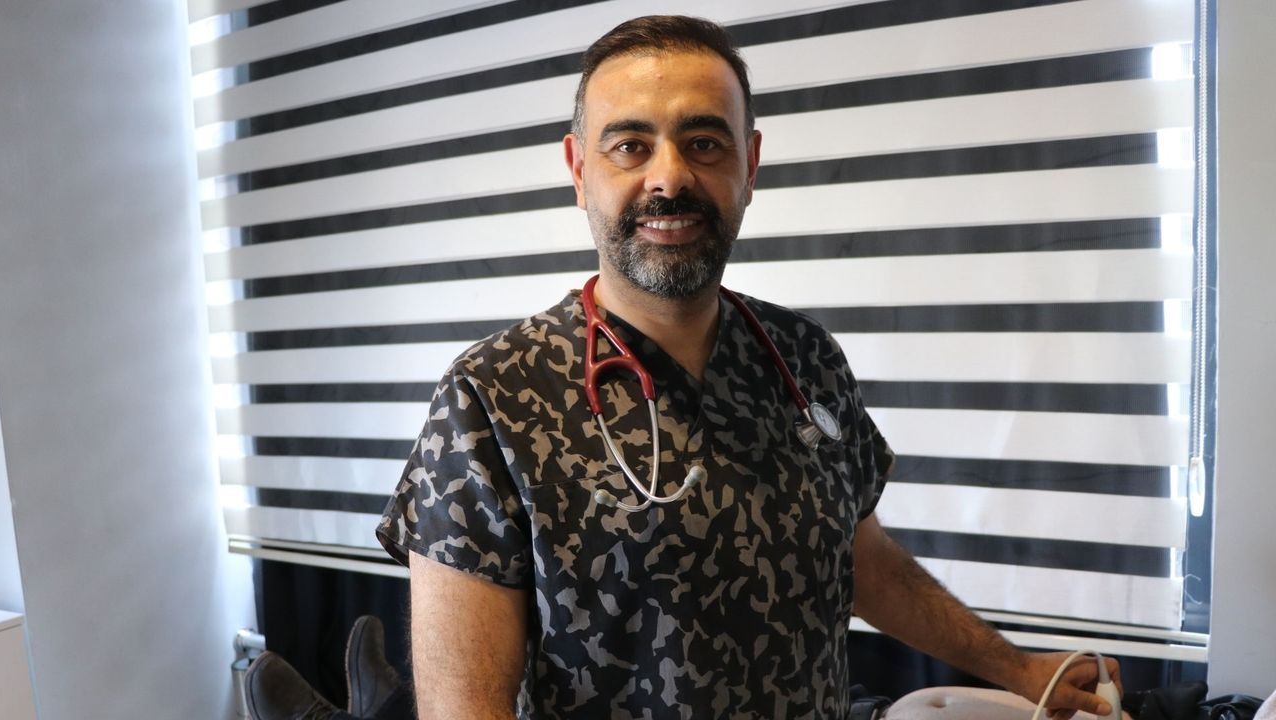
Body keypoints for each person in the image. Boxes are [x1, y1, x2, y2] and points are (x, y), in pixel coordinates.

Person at [378, 15, 1122, 720]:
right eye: (630, 146)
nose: (669, 178)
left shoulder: (805, 358)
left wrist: (1020, 669)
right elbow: (463, 708)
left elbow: (863, 561)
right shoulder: (492, 398)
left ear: (750, 163)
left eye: (704, 143)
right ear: (579, 170)